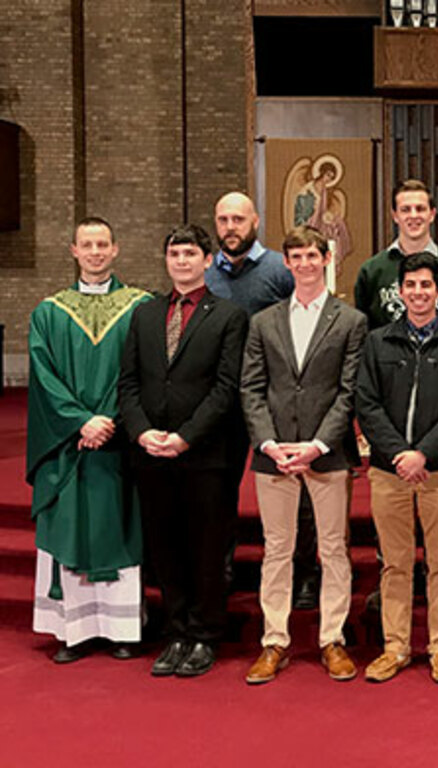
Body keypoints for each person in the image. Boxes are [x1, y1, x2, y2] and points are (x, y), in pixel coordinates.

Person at [119, 224, 248, 678]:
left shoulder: (229, 316)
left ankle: (205, 634)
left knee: (206, 547)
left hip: (206, 454)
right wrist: (141, 432)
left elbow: (226, 388)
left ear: (207, 260)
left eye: (191, 253)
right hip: (151, 453)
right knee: (166, 547)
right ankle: (175, 632)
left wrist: (185, 436)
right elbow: (129, 382)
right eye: (174, 253)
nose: (182, 261)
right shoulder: (145, 314)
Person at [239, 226, 368, 685]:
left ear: (327, 258)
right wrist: (269, 443)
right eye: (296, 256)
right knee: (277, 550)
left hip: (327, 453)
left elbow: (349, 391)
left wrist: (317, 444)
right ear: (287, 263)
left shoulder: (350, 320)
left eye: (313, 255)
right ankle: (274, 640)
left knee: (333, 549)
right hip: (274, 453)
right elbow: (251, 388)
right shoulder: (264, 321)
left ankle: (332, 638)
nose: (306, 263)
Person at [27, 217, 151, 663]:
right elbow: (43, 378)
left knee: (117, 525)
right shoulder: (48, 312)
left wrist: (112, 421)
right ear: (73, 250)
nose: (96, 252)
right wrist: (81, 422)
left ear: (116, 249)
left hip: (117, 445)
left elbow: (143, 376)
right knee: (72, 525)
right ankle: (73, 631)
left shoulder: (140, 307)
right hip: (70, 444)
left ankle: (122, 628)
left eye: (103, 244)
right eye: (87, 244)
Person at [355, 252, 438, 684]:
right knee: (395, 563)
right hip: (390, 471)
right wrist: (398, 454)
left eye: (427, 285)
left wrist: (423, 453)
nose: (419, 292)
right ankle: (396, 647)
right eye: (411, 285)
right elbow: (366, 403)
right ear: (400, 291)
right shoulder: (377, 342)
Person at [204, 192, 310, 606]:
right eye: (223, 219)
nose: (231, 227)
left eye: (238, 219)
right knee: (219, 489)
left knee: (292, 487)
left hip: (276, 395)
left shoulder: (278, 270)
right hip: (222, 398)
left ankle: (304, 572)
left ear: (256, 221)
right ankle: (222, 567)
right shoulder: (205, 272)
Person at [354, 179, 438, 334]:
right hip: (386, 357)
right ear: (395, 215)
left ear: (432, 214)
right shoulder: (371, 271)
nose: (413, 216)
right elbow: (363, 333)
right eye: (405, 209)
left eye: (420, 209)